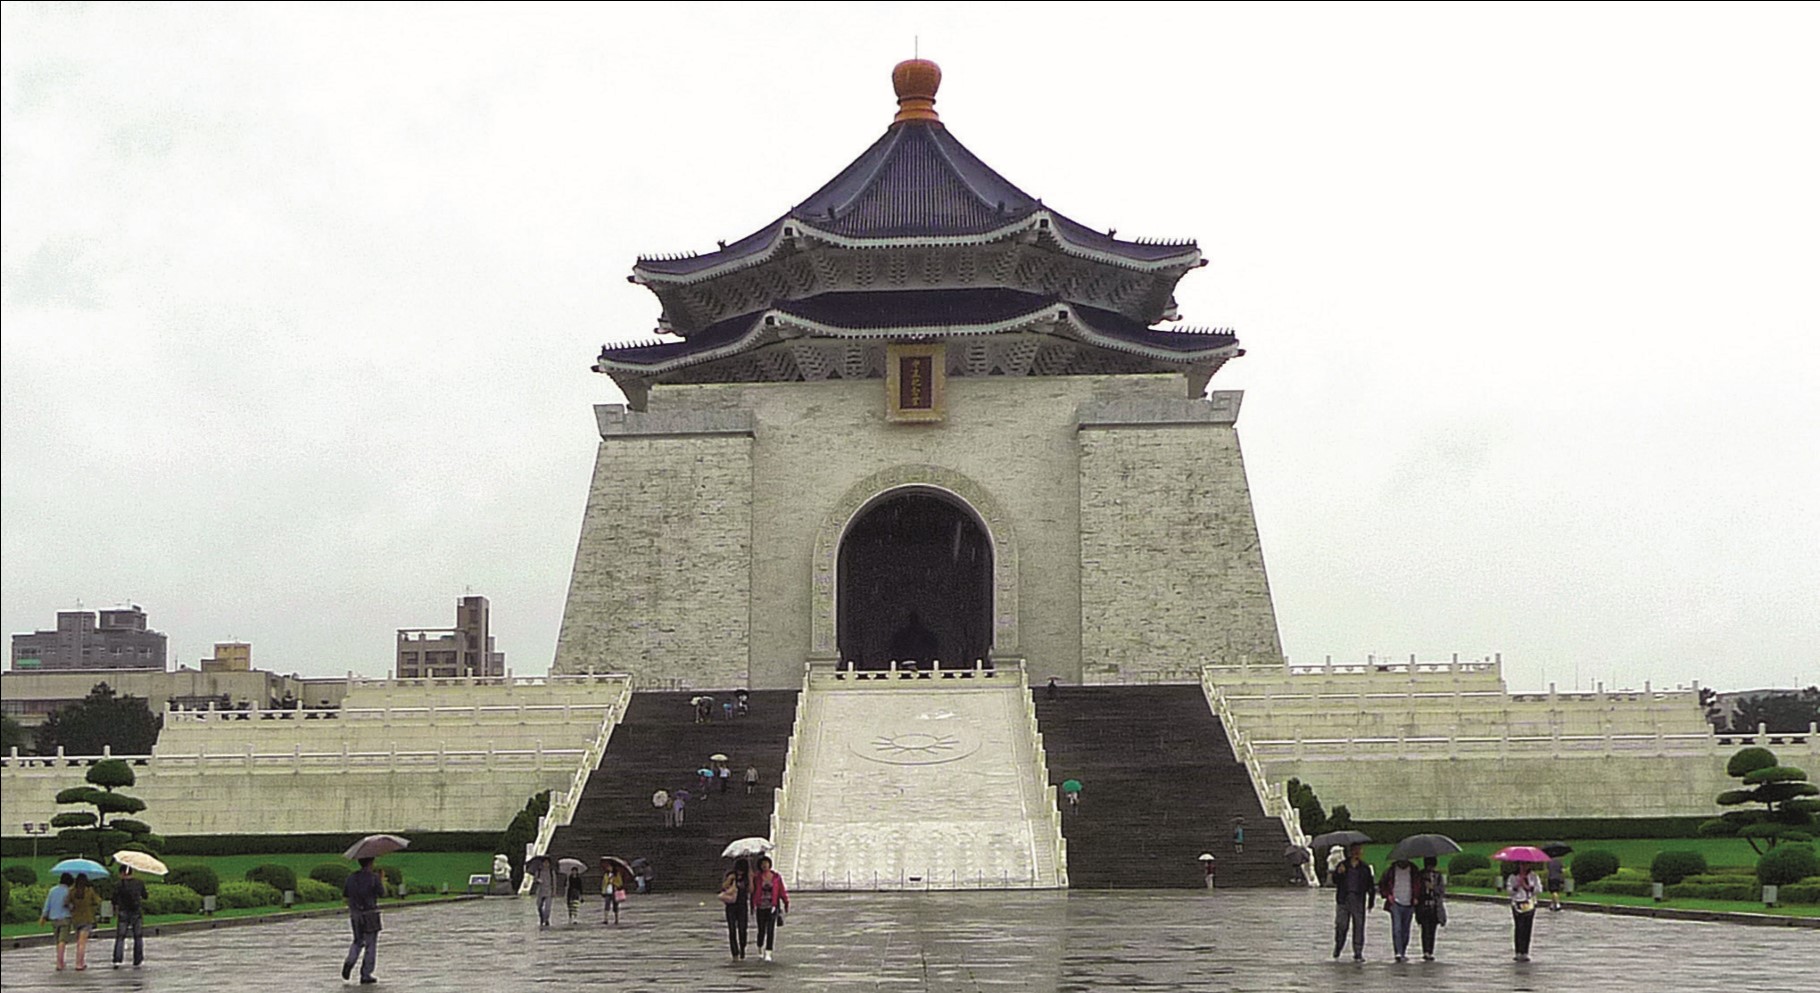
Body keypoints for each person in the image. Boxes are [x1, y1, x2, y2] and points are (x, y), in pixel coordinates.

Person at [341, 857, 384, 984]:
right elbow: (382, 893)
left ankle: (350, 961)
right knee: (370, 945)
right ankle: (366, 974)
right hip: (370, 914)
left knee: (357, 941)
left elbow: (346, 894)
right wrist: (380, 880)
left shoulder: (351, 878)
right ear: (370, 863)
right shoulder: (373, 878)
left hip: (355, 914)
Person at [1331, 843, 1375, 961]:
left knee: (1359, 926)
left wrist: (1371, 901)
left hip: (1358, 899)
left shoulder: (1365, 868)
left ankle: (1358, 951)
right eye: (1354, 850)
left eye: (1358, 850)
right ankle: (1339, 945)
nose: (1356, 852)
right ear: (1350, 852)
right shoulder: (1342, 865)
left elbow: (1370, 885)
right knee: (1341, 925)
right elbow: (1335, 881)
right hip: (1344, 899)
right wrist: (1339, 873)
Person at [1377, 858, 1421, 963]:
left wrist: (1416, 897)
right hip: (1395, 903)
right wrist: (1388, 895)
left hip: (1409, 903)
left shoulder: (1414, 870)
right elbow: (1382, 884)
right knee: (1397, 928)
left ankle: (1403, 951)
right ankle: (1398, 952)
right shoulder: (1391, 870)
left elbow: (1418, 885)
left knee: (1406, 929)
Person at [750, 855, 790, 962]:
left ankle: (768, 951)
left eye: (766, 863)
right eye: (762, 864)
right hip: (760, 906)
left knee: (771, 929)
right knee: (761, 930)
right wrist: (752, 905)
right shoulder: (757, 877)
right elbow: (752, 891)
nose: (765, 865)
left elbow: (781, 890)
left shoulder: (776, 877)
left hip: (772, 906)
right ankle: (759, 947)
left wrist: (786, 902)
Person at [113, 865, 149, 968]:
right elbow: (145, 896)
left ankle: (117, 959)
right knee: (138, 936)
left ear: (122, 873)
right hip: (136, 911)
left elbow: (114, 899)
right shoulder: (139, 883)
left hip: (123, 911)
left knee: (120, 936)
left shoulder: (119, 884)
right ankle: (137, 959)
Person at [1508, 860, 1544, 961]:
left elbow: (1539, 889)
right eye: (1522, 864)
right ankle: (1518, 951)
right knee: (1519, 926)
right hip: (1517, 903)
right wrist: (1517, 885)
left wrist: (1528, 887)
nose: (1524, 866)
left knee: (1527, 927)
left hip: (1529, 903)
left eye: (1526, 864)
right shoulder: (1513, 877)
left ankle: (1525, 951)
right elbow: (1509, 891)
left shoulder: (1533, 876)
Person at [1413, 856, 1447, 961]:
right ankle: (1426, 950)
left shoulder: (1438, 876)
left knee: (1432, 929)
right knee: (1425, 929)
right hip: (1423, 905)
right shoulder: (1419, 875)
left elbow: (1441, 891)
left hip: (1434, 905)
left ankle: (1430, 950)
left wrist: (1433, 888)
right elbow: (1416, 889)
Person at [66, 875, 100, 971]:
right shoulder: (89, 891)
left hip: (76, 919)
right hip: (87, 918)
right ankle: (80, 963)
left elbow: (66, 903)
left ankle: (78, 962)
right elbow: (97, 901)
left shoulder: (72, 892)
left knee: (78, 941)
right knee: (82, 943)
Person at [39, 872, 73, 971]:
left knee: (57, 940)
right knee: (62, 941)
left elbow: (47, 904)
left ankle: (59, 960)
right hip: (65, 918)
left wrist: (43, 916)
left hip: (54, 918)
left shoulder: (52, 890)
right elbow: (70, 906)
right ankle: (60, 962)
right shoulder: (69, 891)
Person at [720, 858, 751, 960]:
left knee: (743, 929)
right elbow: (723, 887)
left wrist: (750, 878)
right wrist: (730, 879)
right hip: (731, 906)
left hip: (742, 906)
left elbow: (751, 890)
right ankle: (734, 952)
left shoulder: (747, 877)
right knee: (732, 929)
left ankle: (742, 948)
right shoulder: (731, 876)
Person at [532, 857, 556, 928]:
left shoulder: (551, 872)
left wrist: (554, 891)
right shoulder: (538, 871)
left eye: (547, 863)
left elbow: (554, 882)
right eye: (544, 863)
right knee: (539, 906)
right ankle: (541, 917)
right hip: (540, 891)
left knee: (547, 907)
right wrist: (537, 880)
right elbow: (534, 880)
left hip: (548, 890)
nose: (546, 864)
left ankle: (546, 919)